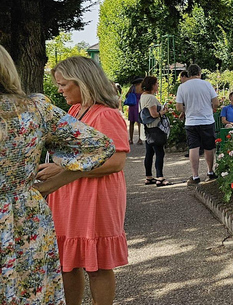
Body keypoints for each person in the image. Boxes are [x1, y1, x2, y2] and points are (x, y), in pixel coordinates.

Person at [0, 45, 115, 305]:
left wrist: (55, 179)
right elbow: (99, 147)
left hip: (33, 208)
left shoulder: (93, 112)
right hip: (24, 213)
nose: (60, 89)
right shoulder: (36, 110)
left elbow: (108, 152)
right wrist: (48, 185)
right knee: (31, 291)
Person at [41, 56, 130, 305]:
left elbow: (116, 162)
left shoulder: (105, 115)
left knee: (97, 265)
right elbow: (71, 157)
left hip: (95, 197)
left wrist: (61, 170)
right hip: (70, 194)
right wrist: (57, 166)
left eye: (63, 84)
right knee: (67, 263)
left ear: (83, 82)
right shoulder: (75, 110)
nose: (59, 89)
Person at [175, 64, 220, 185]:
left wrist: (186, 110)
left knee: (193, 148)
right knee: (209, 147)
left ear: (188, 74)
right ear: (200, 73)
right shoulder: (206, 84)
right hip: (207, 120)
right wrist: (211, 109)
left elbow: (178, 107)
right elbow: (216, 102)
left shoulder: (182, 87)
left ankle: (195, 176)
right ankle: (210, 172)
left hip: (191, 122)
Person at [139, 76, 171, 187]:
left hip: (148, 129)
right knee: (159, 152)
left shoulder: (143, 97)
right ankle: (160, 177)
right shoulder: (151, 98)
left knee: (149, 153)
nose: (158, 85)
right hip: (155, 128)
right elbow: (154, 114)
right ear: (152, 85)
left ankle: (149, 176)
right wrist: (163, 112)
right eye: (156, 83)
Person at [126, 76, 143, 145]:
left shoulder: (132, 88)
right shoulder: (142, 88)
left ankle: (131, 139)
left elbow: (127, 95)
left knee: (131, 123)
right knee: (139, 123)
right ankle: (140, 139)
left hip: (132, 105)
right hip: (139, 104)